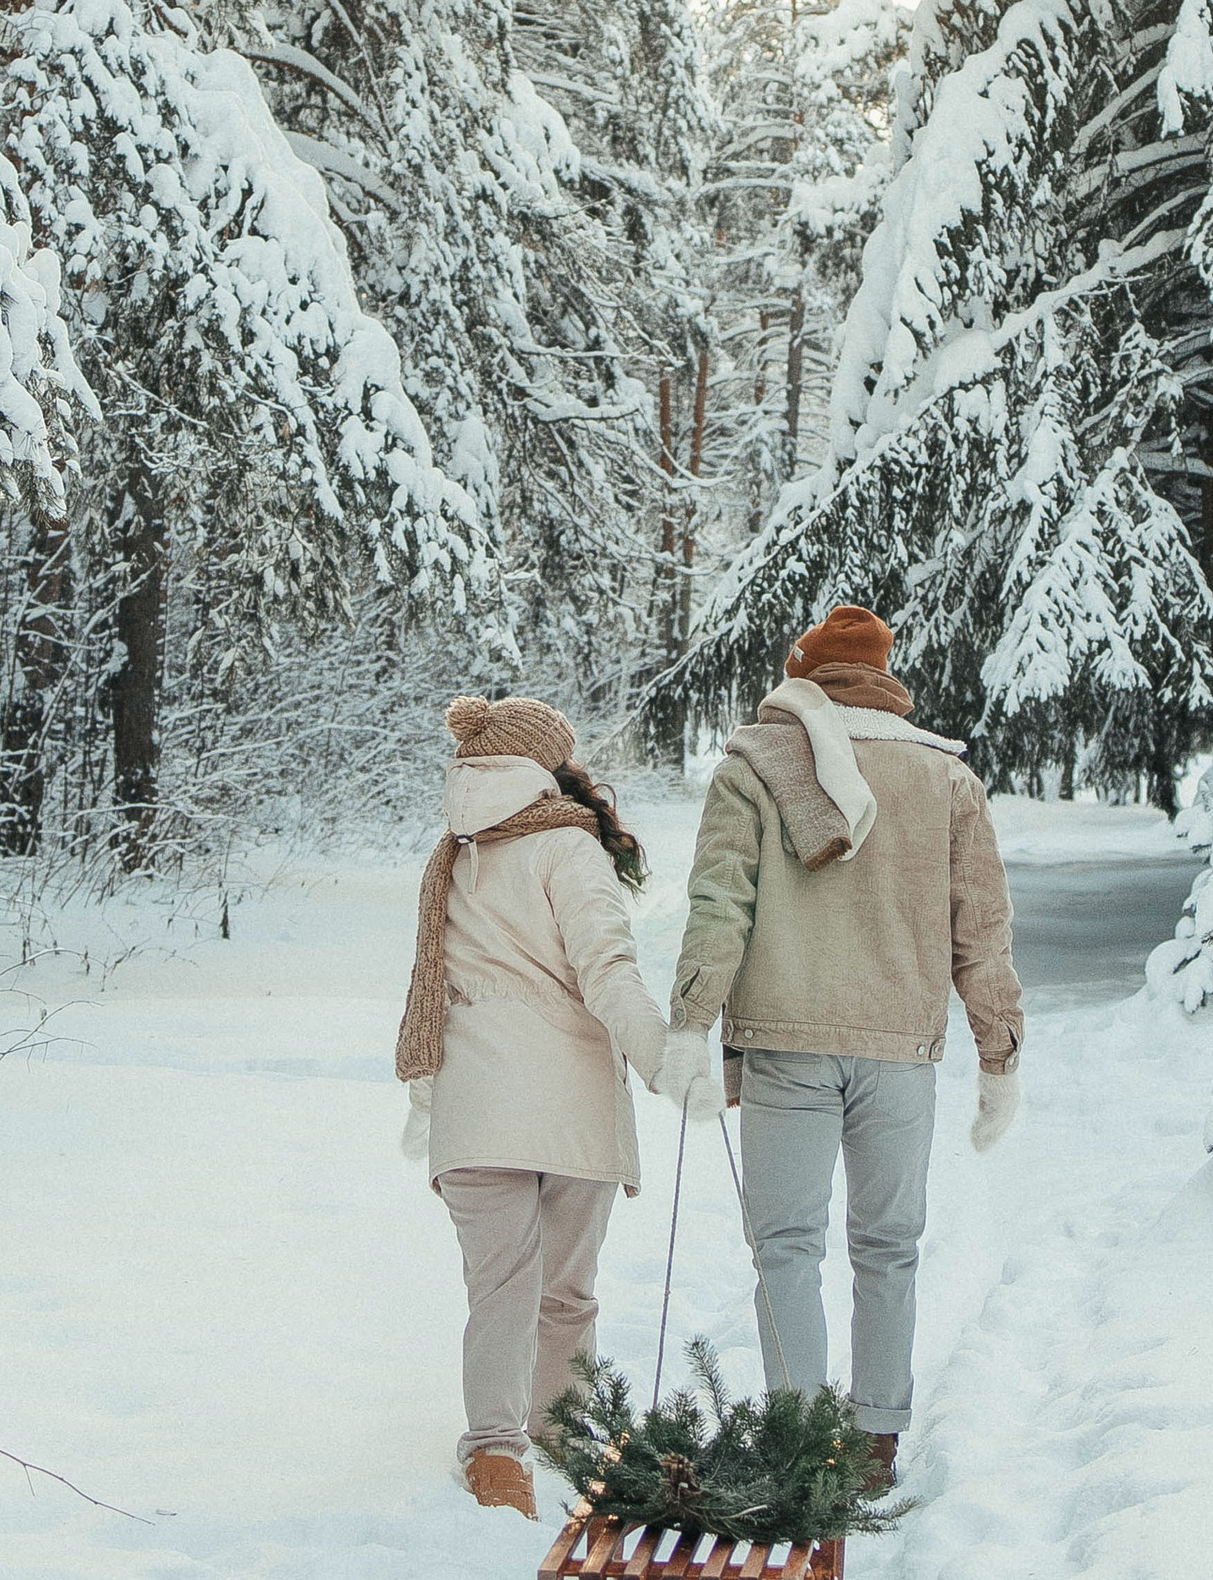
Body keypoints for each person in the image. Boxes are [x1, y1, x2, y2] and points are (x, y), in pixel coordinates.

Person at [663, 604, 1022, 1491]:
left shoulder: (754, 760)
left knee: (786, 1247)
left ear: (807, 672)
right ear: (884, 678)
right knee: (888, 1246)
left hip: (786, 1043)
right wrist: (999, 1050)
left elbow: (719, 905)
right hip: (900, 1049)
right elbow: (982, 929)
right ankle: (873, 1440)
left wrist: (689, 1024)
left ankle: (796, 1437)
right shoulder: (944, 776)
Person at [395, 692, 679, 1517]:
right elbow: (607, 970)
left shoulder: (451, 854)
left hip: (475, 1104)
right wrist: (661, 1055)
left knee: (500, 1290)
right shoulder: (568, 847)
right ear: (545, 766)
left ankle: (495, 1456)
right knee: (566, 1292)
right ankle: (563, 1430)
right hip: (571, 1104)